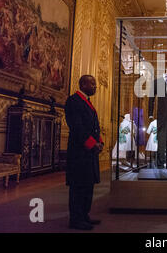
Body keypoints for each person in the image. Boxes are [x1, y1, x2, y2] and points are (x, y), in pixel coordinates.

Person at [65, 75, 103, 230]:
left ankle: (84, 215)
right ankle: (76, 219)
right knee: (78, 186)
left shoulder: (87, 102)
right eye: (92, 83)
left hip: (89, 152)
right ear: (83, 84)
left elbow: (94, 126)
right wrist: (92, 145)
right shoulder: (73, 101)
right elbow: (77, 127)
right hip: (79, 153)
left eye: (95, 84)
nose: (95, 86)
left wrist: (100, 142)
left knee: (88, 185)